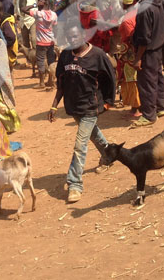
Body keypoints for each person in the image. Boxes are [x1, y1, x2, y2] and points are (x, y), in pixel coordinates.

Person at [49, 26, 114, 203]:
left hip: (91, 106)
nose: (72, 41)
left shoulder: (98, 55)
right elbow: (61, 82)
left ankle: (74, 184)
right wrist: (55, 106)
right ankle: (109, 155)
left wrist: (109, 101)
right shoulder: (65, 55)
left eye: (75, 37)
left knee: (80, 144)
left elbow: (110, 77)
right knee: (92, 134)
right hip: (73, 105)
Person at [130, 0, 164, 127]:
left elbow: (144, 38)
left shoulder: (144, 9)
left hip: (148, 50)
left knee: (146, 83)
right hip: (158, 46)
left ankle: (149, 115)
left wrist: (138, 58)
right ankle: (160, 107)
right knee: (157, 78)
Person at [24, 0, 57, 89]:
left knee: (41, 62)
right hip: (51, 41)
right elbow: (55, 27)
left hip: (41, 43)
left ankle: (41, 82)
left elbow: (23, 9)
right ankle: (51, 81)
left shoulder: (38, 14)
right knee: (51, 61)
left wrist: (34, 5)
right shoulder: (54, 14)